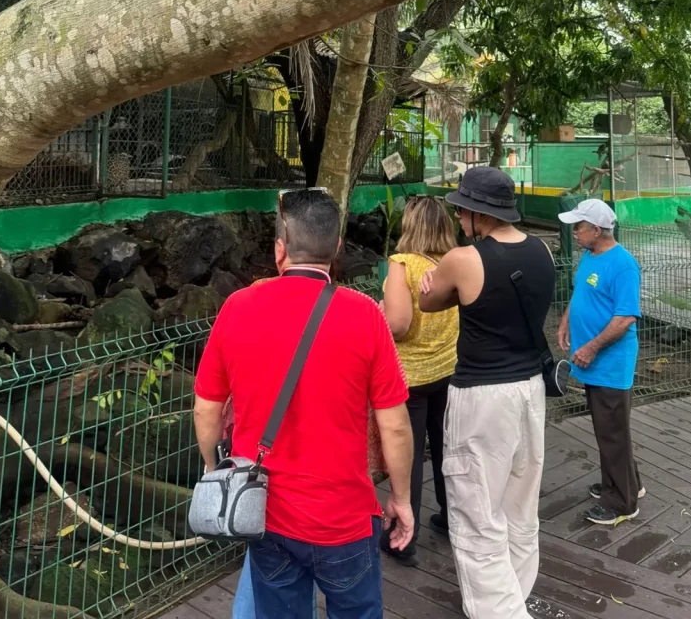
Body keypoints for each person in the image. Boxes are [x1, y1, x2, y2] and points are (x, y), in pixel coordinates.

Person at [193, 189, 414, 619]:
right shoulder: (366, 314)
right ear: (335, 249)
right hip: (344, 519)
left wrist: (212, 468)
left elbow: (206, 408)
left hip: (267, 515)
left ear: (280, 250)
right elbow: (396, 425)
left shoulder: (237, 307)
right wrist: (401, 499)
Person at [420, 166, 556, 619]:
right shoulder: (544, 252)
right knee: (519, 503)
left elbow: (429, 301)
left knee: (476, 511)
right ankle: (513, 594)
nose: (458, 217)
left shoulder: (464, 258)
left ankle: (502, 613)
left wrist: (432, 284)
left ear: (479, 212)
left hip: (481, 396)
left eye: (461, 208)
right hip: (530, 392)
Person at [557, 198, 644, 527]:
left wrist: (591, 348)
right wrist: (566, 321)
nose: (574, 231)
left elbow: (625, 318)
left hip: (610, 363)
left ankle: (622, 502)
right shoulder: (590, 256)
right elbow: (582, 295)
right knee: (610, 429)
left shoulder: (622, 265)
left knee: (612, 432)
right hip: (593, 362)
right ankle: (624, 482)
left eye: (579, 226)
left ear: (597, 229)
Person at [381, 196, 458, 566]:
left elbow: (398, 324)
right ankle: (451, 516)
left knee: (406, 457)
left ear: (411, 225)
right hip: (448, 370)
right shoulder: (454, 263)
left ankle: (402, 538)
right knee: (445, 448)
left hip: (409, 377)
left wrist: (378, 315)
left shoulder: (402, 265)